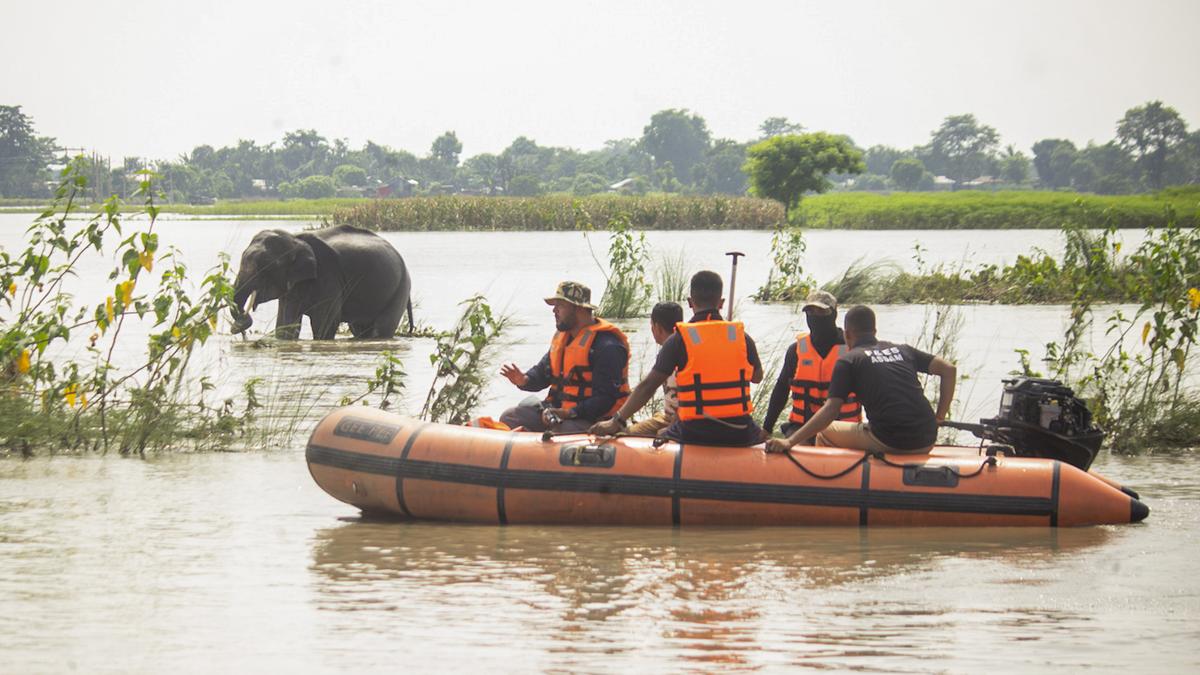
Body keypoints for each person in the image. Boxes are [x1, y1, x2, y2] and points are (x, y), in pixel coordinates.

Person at [591, 271, 764, 446]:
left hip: (694, 430)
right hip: (740, 430)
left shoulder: (679, 339)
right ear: (721, 302)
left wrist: (617, 420)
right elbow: (757, 377)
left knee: (658, 434)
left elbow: (648, 386)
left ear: (690, 302)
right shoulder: (741, 337)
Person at [765, 305, 956, 455]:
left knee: (824, 431)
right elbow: (949, 370)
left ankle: (833, 491)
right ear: (874, 330)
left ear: (847, 334)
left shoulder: (850, 359)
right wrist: (939, 416)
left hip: (891, 440)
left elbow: (831, 410)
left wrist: (789, 441)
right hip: (928, 437)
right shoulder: (903, 349)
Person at [498, 281, 630, 433]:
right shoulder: (564, 339)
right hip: (557, 413)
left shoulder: (607, 346)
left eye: (560, 305)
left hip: (592, 418)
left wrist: (569, 413)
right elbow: (542, 373)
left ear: (578, 309)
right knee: (510, 417)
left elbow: (605, 400)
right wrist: (524, 380)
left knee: (561, 430)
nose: (554, 311)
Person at [762, 290, 861, 441]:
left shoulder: (852, 349)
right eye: (810, 312)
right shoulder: (796, 350)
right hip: (802, 427)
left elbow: (872, 392)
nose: (815, 317)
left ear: (833, 315)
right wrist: (767, 428)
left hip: (843, 427)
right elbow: (781, 389)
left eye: (821, 312)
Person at [626, 302, 683, 436]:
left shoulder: (672, 354)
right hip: (669, 417)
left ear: (657, 328)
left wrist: (671, 428)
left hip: (676, 420)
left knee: (626, 434)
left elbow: (648, 387)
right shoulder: (684, 348)